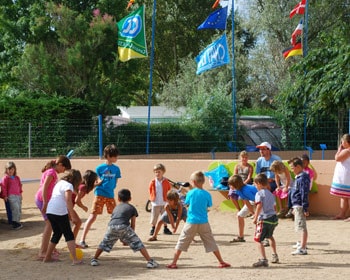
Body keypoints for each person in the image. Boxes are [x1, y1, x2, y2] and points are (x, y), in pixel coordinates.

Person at [166, 171, 230, 269]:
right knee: (211, 242)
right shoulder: (207, 194)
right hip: (203, 221)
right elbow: (208, 206)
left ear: (193, 182)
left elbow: (186, 203)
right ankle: (221, 261)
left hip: (191, 221)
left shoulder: (190, 193)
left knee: (181, 242)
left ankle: (174, 262)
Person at [90, 188, 158, 268]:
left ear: (118, 199)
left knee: (104, 243)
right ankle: (150, 261)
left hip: (111, 226)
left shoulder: (116, 208)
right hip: (124, 226)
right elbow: (133, 224)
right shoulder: (132, 208)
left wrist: (122, 237)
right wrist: (131, 236)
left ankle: (94, 259)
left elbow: (114, 220)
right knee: (138, 243)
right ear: (130, 198)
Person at [79, 144, 121, 248]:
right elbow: (95, 181)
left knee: (116, 217)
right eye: (115, 156)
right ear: (108, 156)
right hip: (99, 194)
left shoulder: (116, 169)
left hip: (110, 195)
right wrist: (99, 182)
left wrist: (112, 186)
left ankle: (122, 238)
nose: (116, 158)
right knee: (93, 216)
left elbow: (116, 180)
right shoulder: (99, 168)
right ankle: (82, 239)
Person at [35, 156, 72, 260]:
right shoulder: (51, 172)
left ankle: (49, 248)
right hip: (42, 200)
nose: (63, 171)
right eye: (64, 169)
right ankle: (43, 252)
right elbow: (45, 187)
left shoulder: (52, 172)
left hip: (45, 200)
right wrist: (46, 203)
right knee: (49, 225)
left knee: (53, 225)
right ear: (60, 165)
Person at [43, 169, 83, 265]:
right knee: (68, 234)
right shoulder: (68, 186)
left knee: (57, 234)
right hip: (59, 211)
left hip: (50, 211)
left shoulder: (60, 183)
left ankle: (47, 257)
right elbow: (68, 200)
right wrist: (72, 215)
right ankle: (75, 259)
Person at [252, 174, 279, 267]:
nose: (255, 186)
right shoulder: (270, 194)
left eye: (255, 184)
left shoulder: (259, 194)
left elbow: (259, 206)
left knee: (258, 239)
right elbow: (275, 207)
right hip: (273, 218)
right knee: (270, 236)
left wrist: (255, 218)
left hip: (264, 218)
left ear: (259, 183)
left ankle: (263, 259)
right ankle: (275, 255)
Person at [289, 157, 310, 255]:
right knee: (298, 225)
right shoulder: (299, 178)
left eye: (292, 168)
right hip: (297, 205)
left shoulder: (303, 178)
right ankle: (301, 243)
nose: (292, 170)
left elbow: (304, 193)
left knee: (302, 226)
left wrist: (305, 207)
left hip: (300, 206)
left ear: (298, 167)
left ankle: (303, 247)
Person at [71, 170, 99, 243]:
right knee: (78, 222)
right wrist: (83, 207)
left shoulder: (83, 186)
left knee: (75, 223)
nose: (95, 181)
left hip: (68, 207)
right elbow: (77, 200)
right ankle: (72, 243)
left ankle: (72, 242)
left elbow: (96, 184)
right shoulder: (83, 187)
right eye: (95, 179)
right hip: (66, 207)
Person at [227, 175, 257, 243]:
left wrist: (256, 214)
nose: (230, 186)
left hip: (260, 201)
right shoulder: (238, 190)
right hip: (252, 201)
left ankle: (264, 238)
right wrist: (253, 213)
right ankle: (241, 237)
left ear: (236, 184)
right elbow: (246, 201)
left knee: (259, 219)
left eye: (231, 185)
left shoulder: (246, 190)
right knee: (240, 216)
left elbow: (257, 200)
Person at [330, 134, 350, 221]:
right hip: (345, 177)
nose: (341, 144)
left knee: (346, 196)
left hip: (347, 177)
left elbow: (337, 158)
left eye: (342, 142)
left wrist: (339, 150)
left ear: (346, 142)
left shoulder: (347, 151)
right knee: (344, 196)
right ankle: (342, 214)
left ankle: (344, 214)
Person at [148, 163, 172, 236]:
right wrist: (152, 198)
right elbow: (150, 190)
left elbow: (169, 189)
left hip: (164, 202)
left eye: (159, 172)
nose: (157, 173)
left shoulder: (166, 181)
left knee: (164, 216)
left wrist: (168, 199)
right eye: (155, 172)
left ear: (163, 172)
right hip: (155, 202)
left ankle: (165, 228)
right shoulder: (153, 182)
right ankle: (153, 228)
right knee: (154, 216)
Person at [1, 162, 23, 230]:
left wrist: (20, 194)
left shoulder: (17, 178)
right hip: (11, 196)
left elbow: (19, 186)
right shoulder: (5, 178)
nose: (10, 171)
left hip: (18, 196)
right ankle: (14, 223)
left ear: (14, 169)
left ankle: (17, 222)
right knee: (15, 208)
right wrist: (5, 196)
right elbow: (3, 187)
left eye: (12, 169)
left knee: (19, 209)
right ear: (6, 170)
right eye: (8, 169)